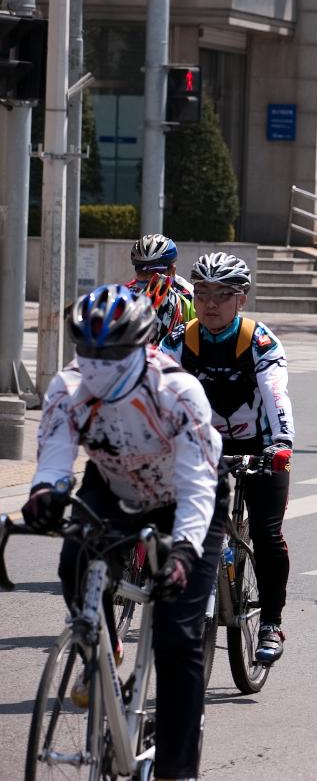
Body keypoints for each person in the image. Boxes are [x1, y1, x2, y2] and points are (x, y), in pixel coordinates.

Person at [24, 285, 223, 781]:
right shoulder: (67, 388)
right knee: (72, 560)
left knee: (177, 638)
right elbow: (53, 458)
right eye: (87, 350)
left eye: (110, 352)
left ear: (140, 347)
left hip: (184, 499)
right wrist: (45, 495)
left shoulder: (176, 391)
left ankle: (178, 769)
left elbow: (199, 485)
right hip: (111, 486)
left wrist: (182, 553)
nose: (96, 363)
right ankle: (102, 648)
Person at [160, 252, 294, 666]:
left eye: (223, 294)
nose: (211, 303)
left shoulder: (259, 341)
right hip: (203, 447)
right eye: (202, 293)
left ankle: (271, 622)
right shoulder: (181, 339)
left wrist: (282, 442)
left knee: (268, 535)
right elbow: (157, 389)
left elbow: (275, 392)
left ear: (243, 299)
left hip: (260, 444)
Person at [129, 233, 194, 299]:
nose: (149, 278)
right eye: (142, 272)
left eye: (156, 271)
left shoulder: (189, 295)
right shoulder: (128, 292)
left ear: (172, 272)